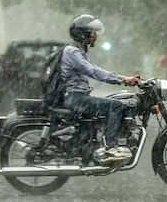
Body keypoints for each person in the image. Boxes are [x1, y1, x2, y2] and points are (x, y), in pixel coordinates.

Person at [60, 14, 141, 163]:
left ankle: (96, 145)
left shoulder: (78, 51)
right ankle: (110, 148)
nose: (95, 37)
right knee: (115, 106)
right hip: (75, 98)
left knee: (112, 103)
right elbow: (92, 71)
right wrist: (121, 80)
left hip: (76, 97)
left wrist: (123, 78)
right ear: (83, 33)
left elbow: (93, 68)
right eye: (93, 33)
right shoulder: (72, 52)